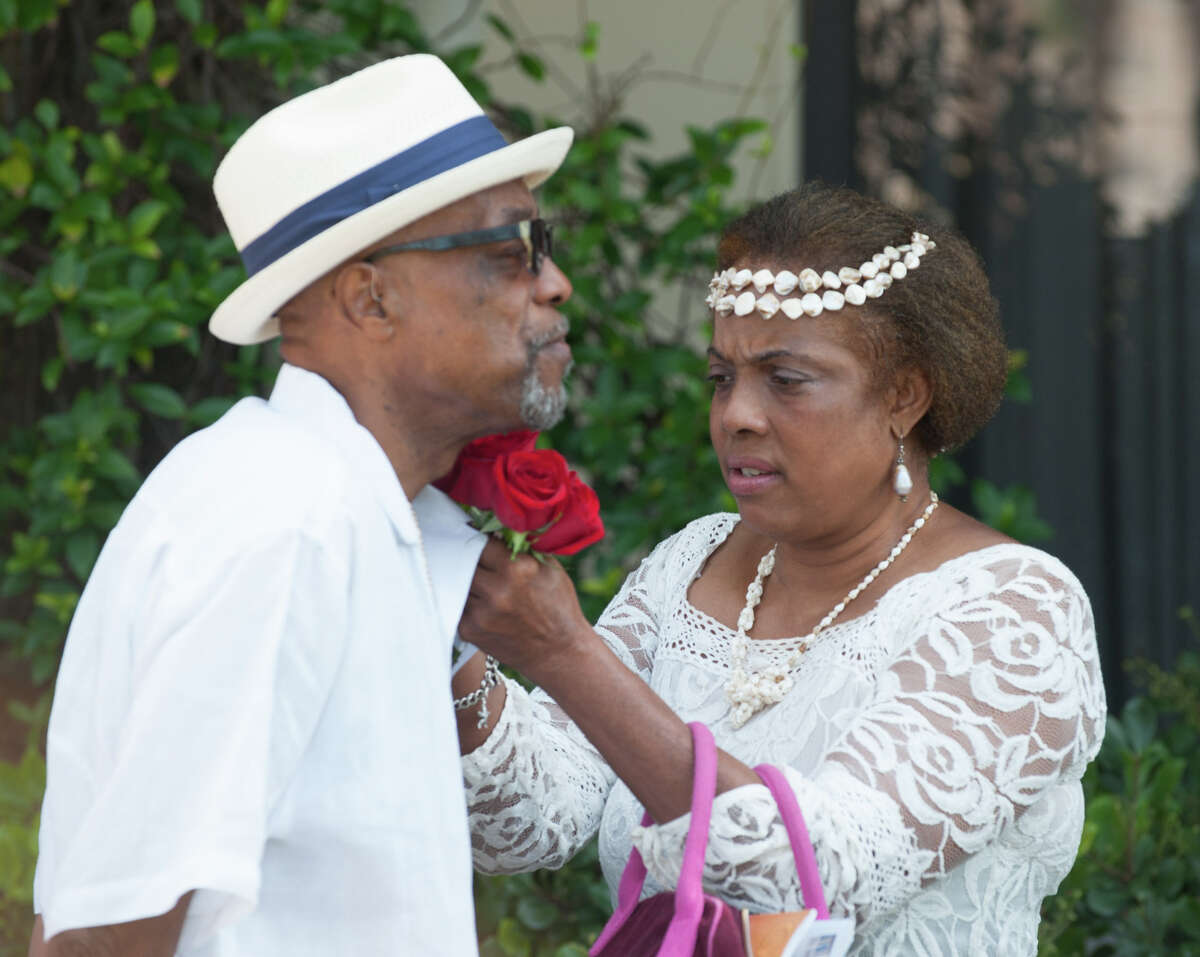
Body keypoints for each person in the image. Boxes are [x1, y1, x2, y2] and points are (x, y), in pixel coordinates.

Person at [451, 182, 1106, 956]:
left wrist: (564, 651)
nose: (737, 414)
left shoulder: (1014, 610)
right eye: (721, 378)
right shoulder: (690, 561)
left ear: (904, 396)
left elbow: (816, 877)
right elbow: (528, 822)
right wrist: (461, 642)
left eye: (786, 380)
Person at [30, 54, 574, 956]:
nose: (554, 284)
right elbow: (106, 932)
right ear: (370, 297)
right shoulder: (283, 522)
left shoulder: (350, 508)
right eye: (509, 253)